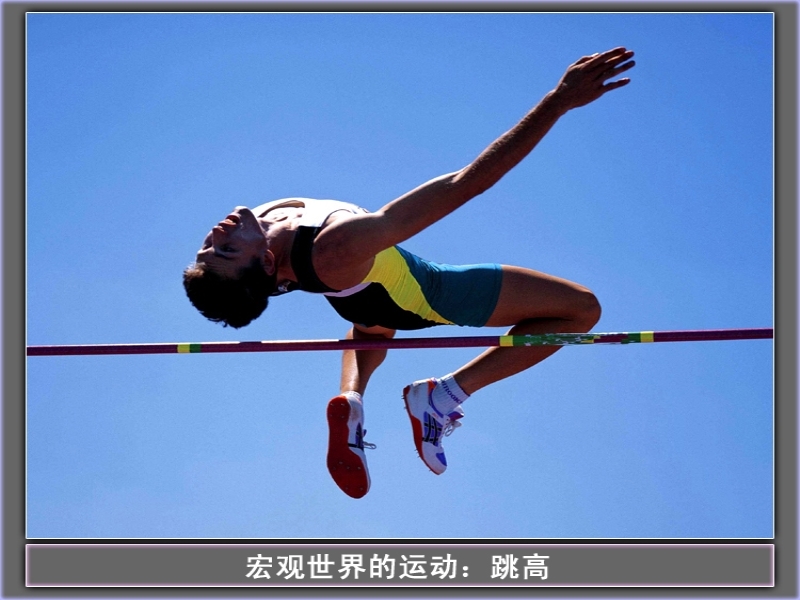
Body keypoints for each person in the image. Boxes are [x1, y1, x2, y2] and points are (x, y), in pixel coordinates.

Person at [184, 47, 635, 498]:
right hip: (424, 295)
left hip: (362, 295)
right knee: (580, 311)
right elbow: (466, 184)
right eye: (227, 249)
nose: (217, 234)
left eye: (208, 248)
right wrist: (558, 101)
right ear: (266, 262)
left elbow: (258, 280)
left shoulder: (264, 234)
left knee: (371, 325)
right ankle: (444, 395)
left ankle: (352, 398)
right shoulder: (338, 246)